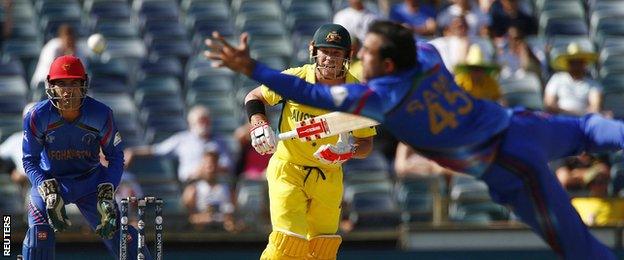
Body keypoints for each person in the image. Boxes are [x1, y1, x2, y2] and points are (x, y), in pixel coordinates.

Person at [205, 20, 621, 259]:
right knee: (587, 129)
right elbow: (307, 89)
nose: (355, 59)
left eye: (364, 53)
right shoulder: (427, 55)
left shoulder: (377, 97)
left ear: (385, 63)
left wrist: (250, 66)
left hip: (504, 161)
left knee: (578, 246)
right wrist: (262, 119)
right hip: (517, 124)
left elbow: (311, 96)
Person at [241, 24, 376, 259]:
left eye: (336, 52)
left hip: (329, 175)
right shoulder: (296, 78)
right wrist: (259, 123)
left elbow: (366, 145)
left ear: (347, 55)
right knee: (288, 243)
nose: (329, 58)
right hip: (288, 169)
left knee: (323, 249)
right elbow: (254, 96)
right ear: (313, 50)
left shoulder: (358, 93)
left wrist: (347, 150)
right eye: (325, 51)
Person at [21, 55, 151, 259]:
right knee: (39, 236)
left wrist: (108, 188)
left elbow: (116, 156)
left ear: (84, 84)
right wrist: (45, 188)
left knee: (122, 237)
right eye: (61, 83)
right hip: (52, 183)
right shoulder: (37, 116)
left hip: (91, 182)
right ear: (50, 86)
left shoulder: (101, 114)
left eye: (74, 83)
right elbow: (29, 160)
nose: (68, 90)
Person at [124, 105, 233, 184]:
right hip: (190, 184)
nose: (205, 124)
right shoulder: (182, 139)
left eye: (207, 121)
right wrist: (133, 151)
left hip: (214, 183)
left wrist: (208, 169)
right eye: (201, 121)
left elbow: (227, 165)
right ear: (192, 123)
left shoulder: (219, 141)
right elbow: (157, 150)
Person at [182, 143, 236, 232]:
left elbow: (232, 215)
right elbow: (188, 217)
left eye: (214, 165)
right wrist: (203, 218)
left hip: (224, 232)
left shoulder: (229, 190)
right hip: (200, 234)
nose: (211, 169)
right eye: (208, 166)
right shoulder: (192, 190)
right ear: (202, 166)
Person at [544, 42, 603, 116]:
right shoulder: (557, 79)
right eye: (573, 62)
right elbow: (549, 104)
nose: (576, 65)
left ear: (584, 64)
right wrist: (572, 113)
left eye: (579, 62)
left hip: (583, 122)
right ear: (568, 64)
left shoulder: (593, 84)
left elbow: (595, 107)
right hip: (559, 120)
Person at [30, 24, 90, 90]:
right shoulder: (52, 47)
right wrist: (68, 58)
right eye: (67, 39)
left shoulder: (79, 50)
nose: (70, 42)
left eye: (72, 39)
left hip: (67, 86)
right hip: (43, 84)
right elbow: (53, 70)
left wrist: (71, 58)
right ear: (61, 38)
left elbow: (82, 71)